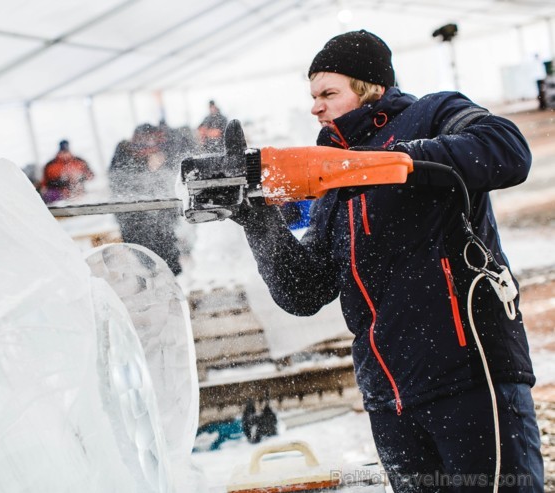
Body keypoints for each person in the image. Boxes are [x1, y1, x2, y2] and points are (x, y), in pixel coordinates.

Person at [232, 30, 543, 492]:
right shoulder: (333, 175)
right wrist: (258, 221)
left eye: (328, 93)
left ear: (371, 88)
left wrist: (384, 163)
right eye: (312, 96)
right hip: (390, 400)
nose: (316, 106)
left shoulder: (433, 114)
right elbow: (306, 292)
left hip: (468, 379)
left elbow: (508, 150)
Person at [109, 123, 187, 275]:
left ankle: (172, 282)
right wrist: (149, 166)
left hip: (159, 217)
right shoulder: (124, 153)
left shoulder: (158, 153)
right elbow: (120, 183)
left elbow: (169, 181)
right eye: (147, 140)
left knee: (168, 256)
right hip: (133, 215)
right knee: (146, 260)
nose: (150, 145)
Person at [39, 139, 94, 204]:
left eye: (66, 152)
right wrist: (62, 185)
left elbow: (90, 176)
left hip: (78, 193)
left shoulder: (79, 162)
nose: (64, 155)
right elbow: (44, 183)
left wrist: (78, 177)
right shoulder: (51, 165)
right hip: (57, 195)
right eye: (63, 152)